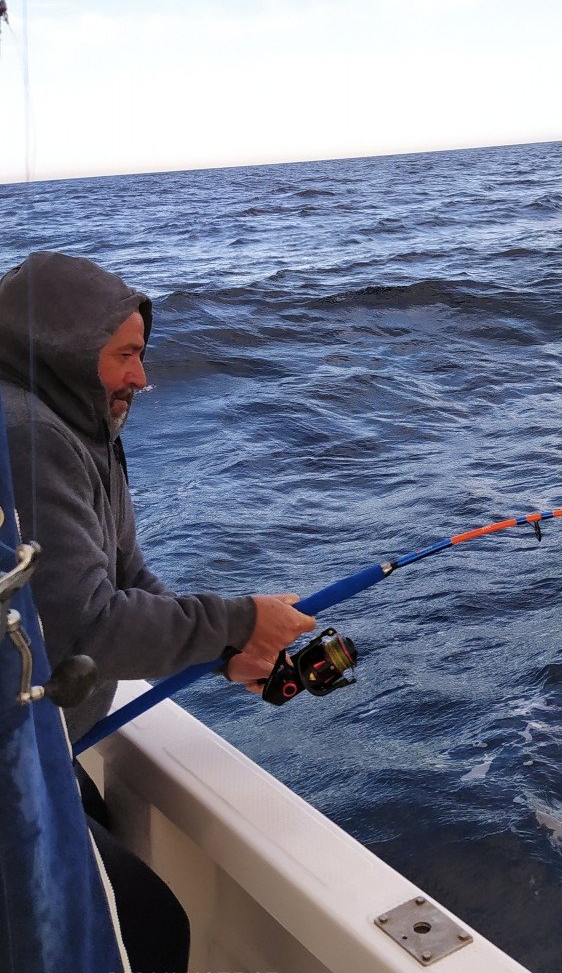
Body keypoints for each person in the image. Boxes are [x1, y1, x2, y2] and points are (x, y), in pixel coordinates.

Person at [0, 249, 316, 973]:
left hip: (43, 742)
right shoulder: (28, 435)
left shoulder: (80, 424)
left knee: (108, 836)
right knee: (150, 928)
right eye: (126, 356)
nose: (142, 378)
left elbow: (126, 576)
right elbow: (82, 626)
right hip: (16, 757)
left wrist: (226, 650)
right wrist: (238, 622)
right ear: (64, 349)